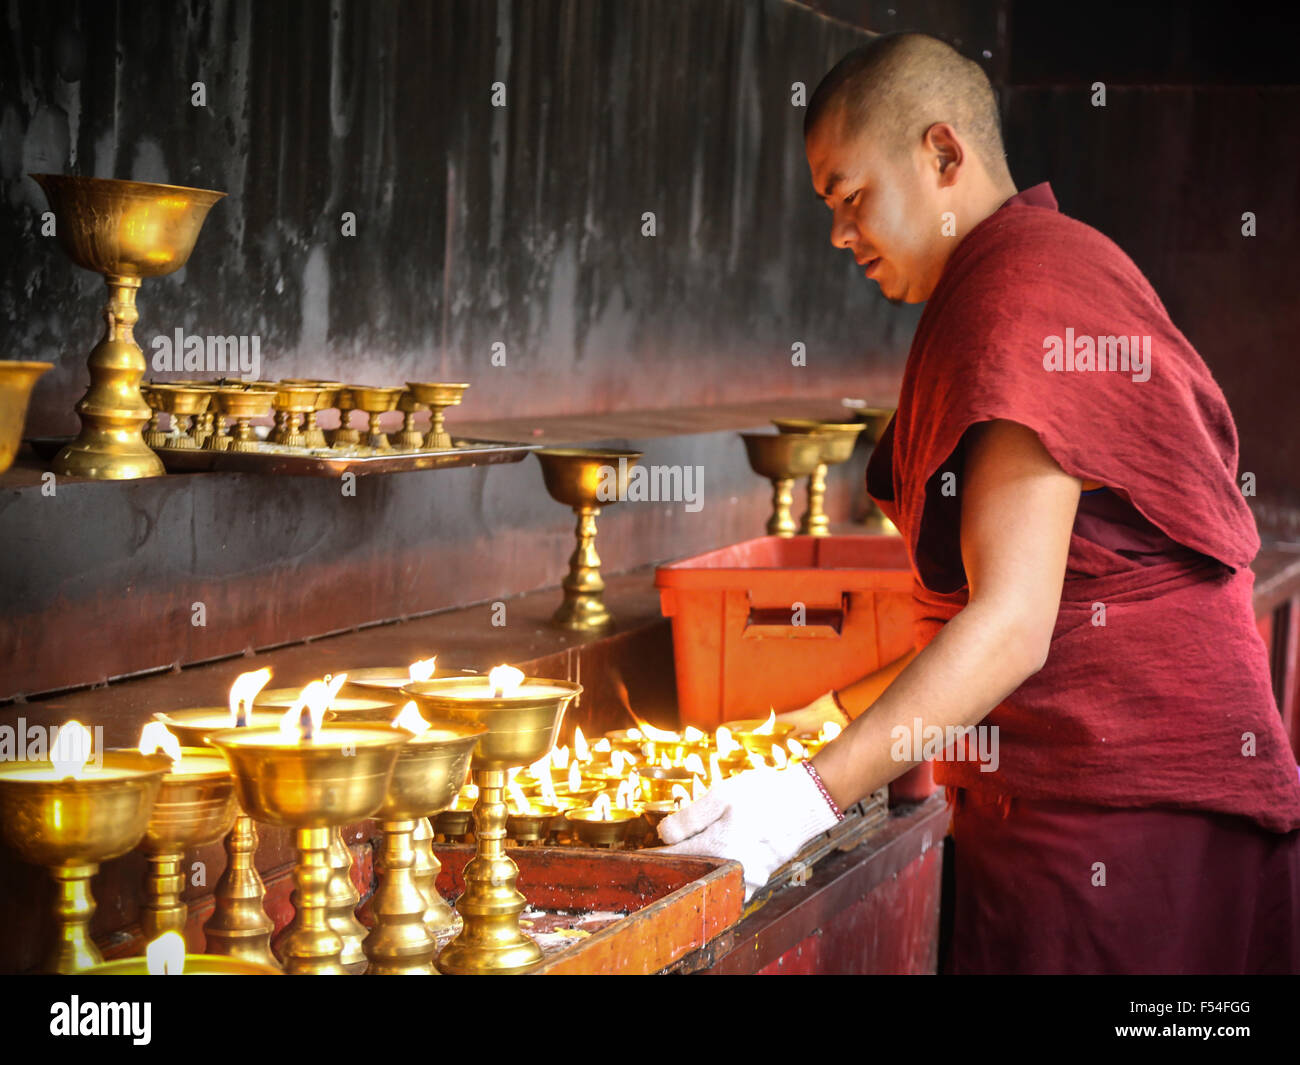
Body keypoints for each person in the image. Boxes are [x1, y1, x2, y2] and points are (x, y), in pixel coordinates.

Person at [658, 31, 1300, 975]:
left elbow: (1014, 625)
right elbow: (1023, 600)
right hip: (1104, 793)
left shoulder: (1020, 291)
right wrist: (833, 708)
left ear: (943, 154)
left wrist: (808, 796)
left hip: (1116, 818)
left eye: (850, 198)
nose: (839, 234)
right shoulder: (1030, 266)